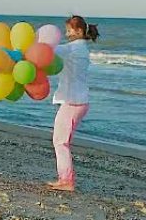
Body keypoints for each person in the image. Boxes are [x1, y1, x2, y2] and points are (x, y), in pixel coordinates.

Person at [47, 15, 99, 192]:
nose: (66, 33)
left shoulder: (74, 48)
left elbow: (51, 51)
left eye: (69, 30)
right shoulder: (81, 48)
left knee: (60, 142)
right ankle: (65, 179)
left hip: (73, 102)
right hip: (78, 101)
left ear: (78, 31)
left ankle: (66, 181)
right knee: (61, 141)